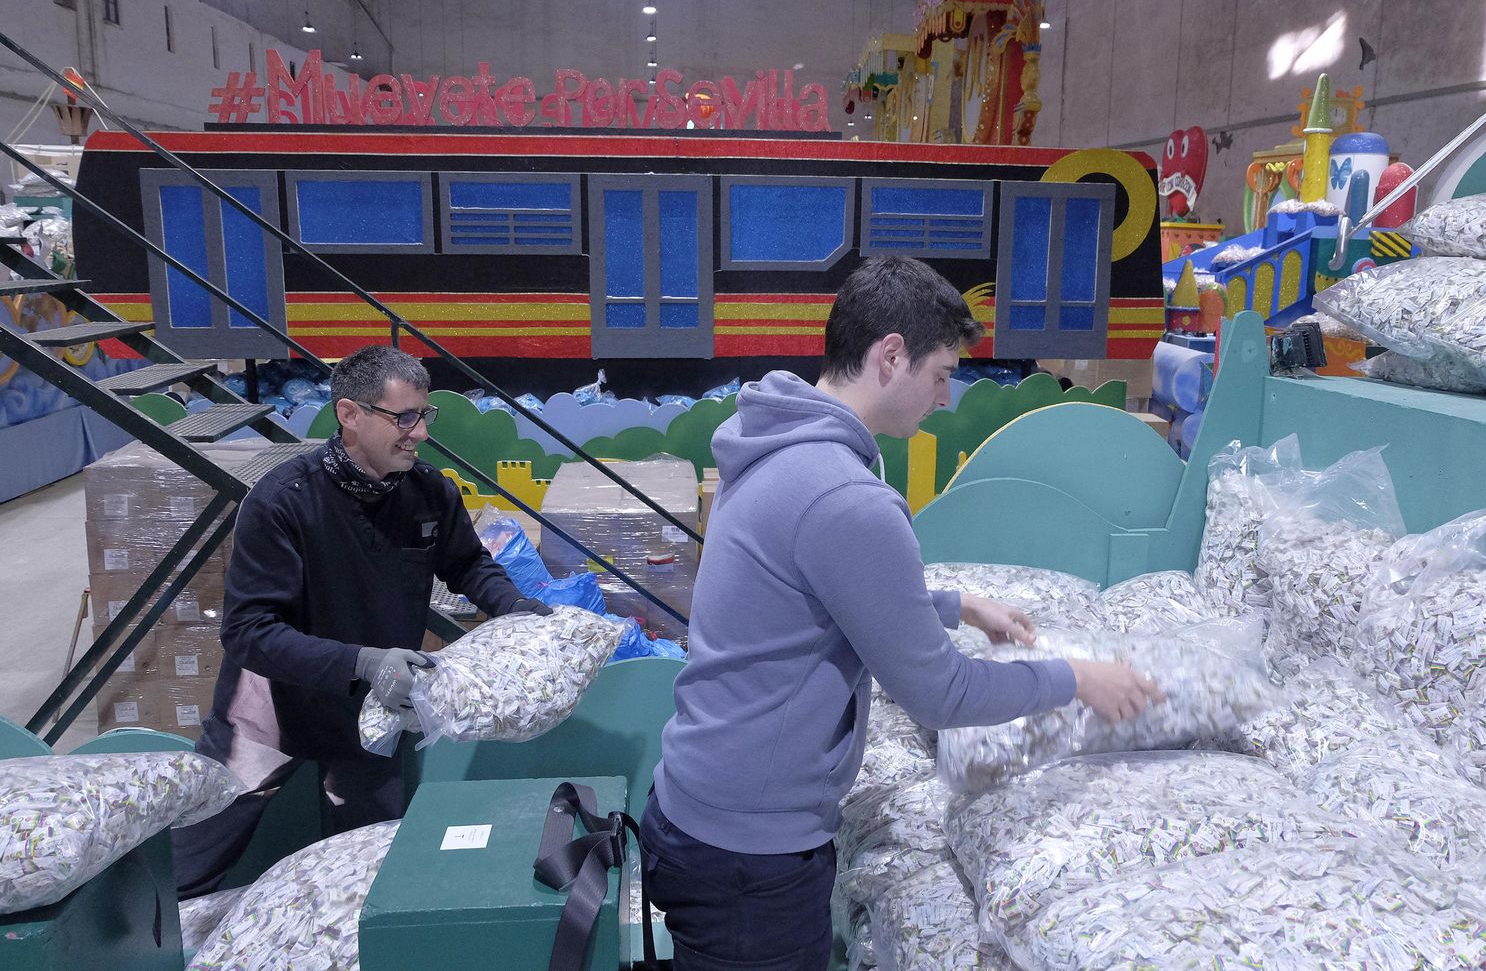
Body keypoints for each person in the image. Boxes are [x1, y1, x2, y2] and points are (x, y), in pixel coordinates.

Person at [642, 255, 1162, 970]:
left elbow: (816, 593)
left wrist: (956, 603)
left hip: (699, 807)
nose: (946, 398)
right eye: (943, 373)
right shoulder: (844, 495)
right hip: (749, 857)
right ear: (891, 356)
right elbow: (942, 694)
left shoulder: (780, 441)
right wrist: (1075, 679)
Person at [173, 346, 550, 898]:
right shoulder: (284, 502)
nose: (419, 433)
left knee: (370, 867)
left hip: (373, 709)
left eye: (425, 415)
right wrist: (363, 661)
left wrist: (514, 607)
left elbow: (468, 563)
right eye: (403, 417)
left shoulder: (428, 493)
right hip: (272, 706)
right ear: (349, 414)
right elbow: (249, 631)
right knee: (192, 859)